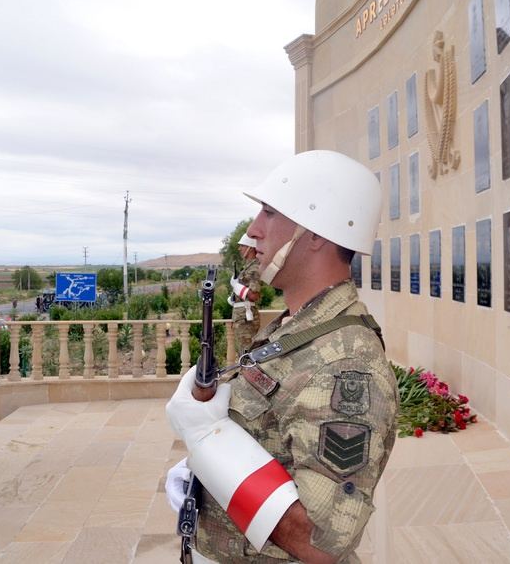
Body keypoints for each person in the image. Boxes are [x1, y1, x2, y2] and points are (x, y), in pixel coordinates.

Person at [165, 150, 397, 563]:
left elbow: (320, 541)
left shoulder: (344, 364)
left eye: (269, 213)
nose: (253, 230)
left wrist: (209, 445)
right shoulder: (297, 329)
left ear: (316, 233)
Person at [228, 234, 262, 352]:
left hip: (246, 319)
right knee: (242, 351)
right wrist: (234, 299)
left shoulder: (254, 268)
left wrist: (237, 287)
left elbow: (254, 295)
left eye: (242, 245)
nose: (239, 249)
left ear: (250, 247)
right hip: (241, 317)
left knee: (246, 352)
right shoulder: (247, 267)